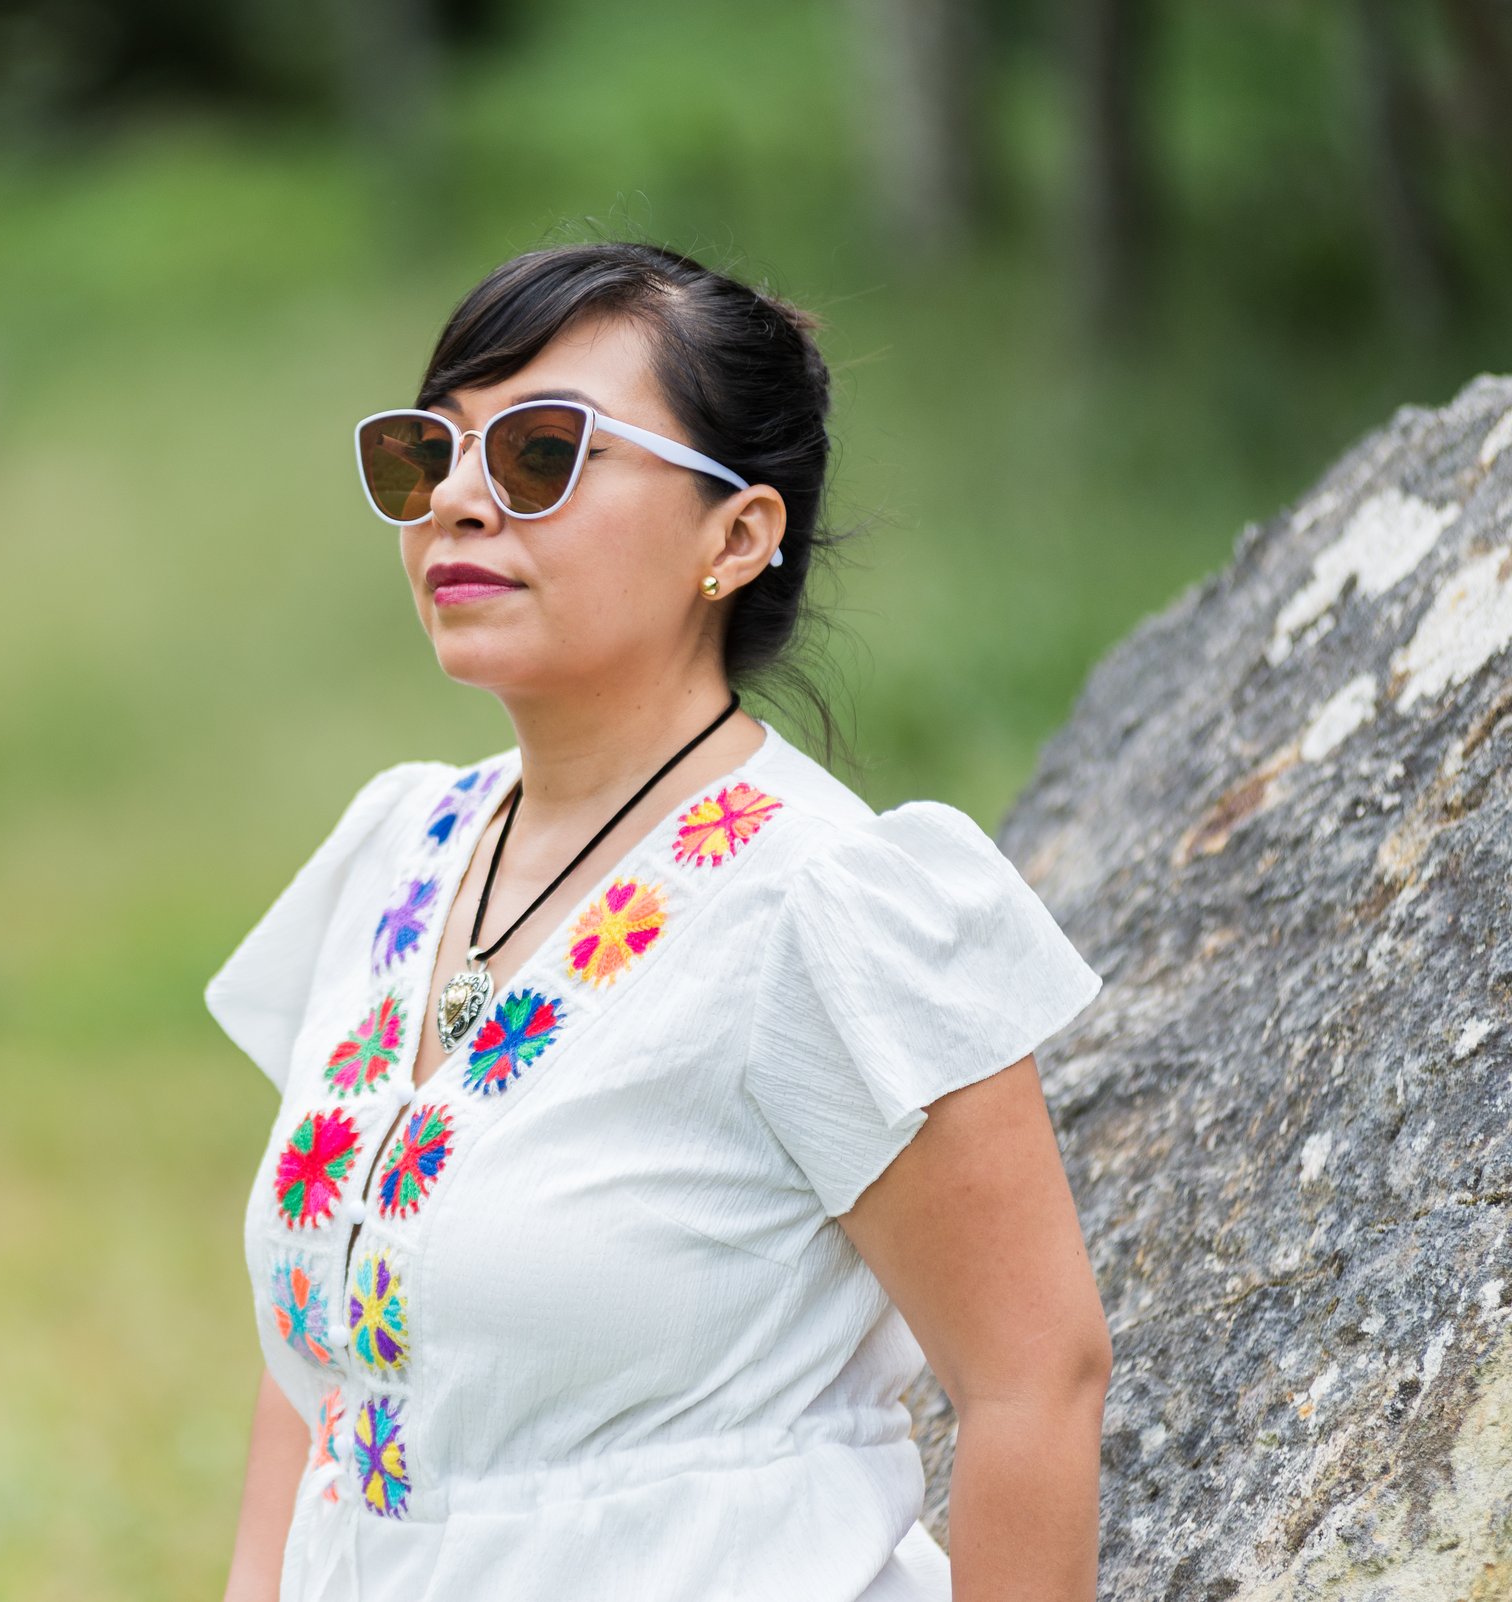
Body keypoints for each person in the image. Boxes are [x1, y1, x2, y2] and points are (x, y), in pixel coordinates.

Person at [202, 239, 1112, 1602]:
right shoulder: (401, 849)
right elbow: (326, 1370)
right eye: (426, 454)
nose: (456, 499)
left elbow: (1036, 1377)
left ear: (735, 535)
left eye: (539, 454)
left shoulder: (826, 904)